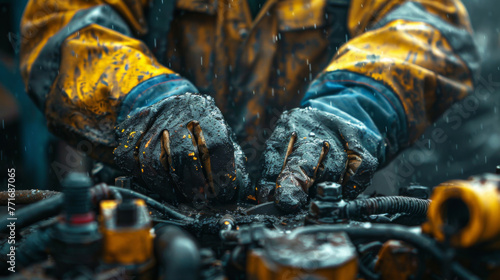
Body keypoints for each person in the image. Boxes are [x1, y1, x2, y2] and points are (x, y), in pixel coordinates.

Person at [19, 0, 479, 212]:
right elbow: (60, 23)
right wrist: (148, 106)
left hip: (327, 209)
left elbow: (429, 24)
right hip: (158, 203)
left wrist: (349, 112)